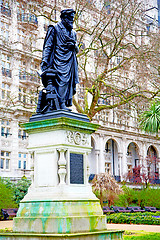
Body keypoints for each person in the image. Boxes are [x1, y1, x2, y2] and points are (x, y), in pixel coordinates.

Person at [40, 9, 79, 112]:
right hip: (58, 60)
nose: (71, 21)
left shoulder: (73, 33)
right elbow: (48, 46)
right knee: (62, 81)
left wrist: (74, 47)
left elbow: (77, 49)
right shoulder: (55, 28)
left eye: (73, 19)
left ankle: (63, 103)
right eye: (70, 19)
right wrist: (44, 60)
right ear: (64, 18)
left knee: (69, 83)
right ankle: (60, 104)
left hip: (70, 61)